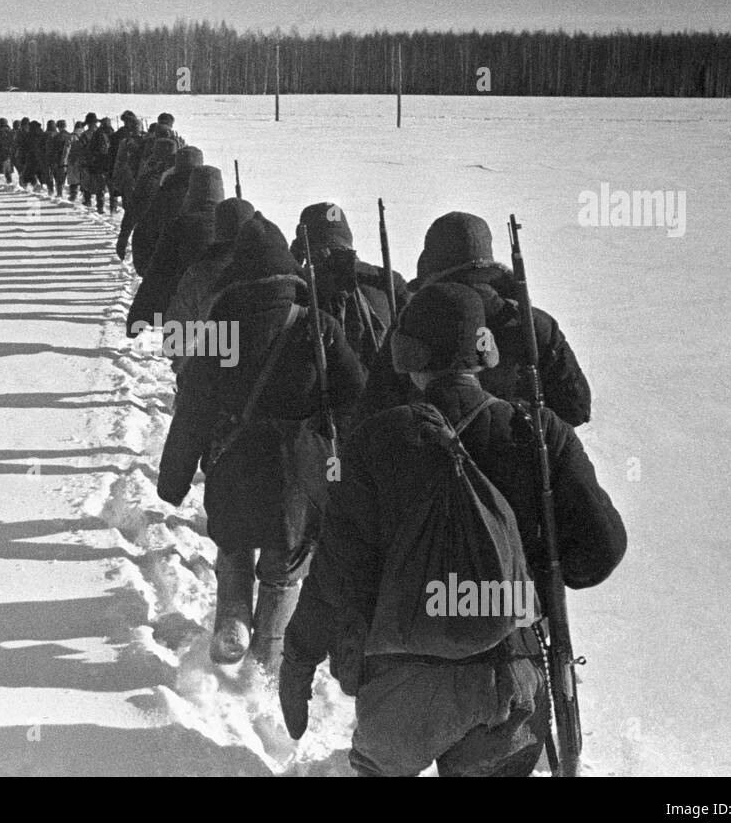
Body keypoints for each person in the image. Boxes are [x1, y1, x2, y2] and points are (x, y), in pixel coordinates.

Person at [279, 282, 627, 776]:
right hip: (507, 680)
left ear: (408, 355)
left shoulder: (376, 439)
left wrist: (298, 657)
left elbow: (337, 569)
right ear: (483, 351)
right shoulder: (540, 432)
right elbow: (603, 550)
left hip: (399, 687)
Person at [157, 217, 366, 669]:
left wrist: (173, 480)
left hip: (231, 464)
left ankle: (232, 621)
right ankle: (268, 659)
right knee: (283, 568)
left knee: (233, 545)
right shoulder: (320, 328)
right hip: (299, 474)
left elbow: (193, 409)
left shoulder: (221, 330)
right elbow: (357, 402)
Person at [359, 212, 592, 426]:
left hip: (433, 463)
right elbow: (576, 409)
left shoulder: (415, 322)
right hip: (519, 464)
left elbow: (373, 412)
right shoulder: (535, 324)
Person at [290, 202, 409, 374]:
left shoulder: (302, 286)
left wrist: (293, 260)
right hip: (386, 393)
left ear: (304, 243)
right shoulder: (389, 280)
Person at [127, 164, 224, 336]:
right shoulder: (232, 226)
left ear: (191, 191)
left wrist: (137, 319)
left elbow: (157, 274)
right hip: (224, 315)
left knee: (181, 357)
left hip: (181, 313)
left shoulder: (179, 225)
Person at [163, 197, 256, 373]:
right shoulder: (268, 267)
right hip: (261, 374)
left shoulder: (199, 272)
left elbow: (175, 339)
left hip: (209, 373)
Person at [130, 145, 202, 275]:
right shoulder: (210, 200)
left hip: (165, 273)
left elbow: (142, 234)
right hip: (199, 280)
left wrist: (148, 272)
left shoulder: (162, 194)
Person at [117, 137, 179, 261]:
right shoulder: (191, 180)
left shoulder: (148, 179)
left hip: (152, 238)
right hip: (177, 242)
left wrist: (123, 238)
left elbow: (133, 210)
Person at [109, 110, 143, 213]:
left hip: (127, 174)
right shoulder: (146, 139)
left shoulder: (122, 137)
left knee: (127, 200)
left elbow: (117, 159)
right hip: (137, 174)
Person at [83, 116, 115, 212]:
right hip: (111, 165)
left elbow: (91, 149)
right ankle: (113, 209)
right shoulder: (113, 133)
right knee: (112, 189)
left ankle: (100, 207)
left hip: (99, 164)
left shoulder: (97, 133)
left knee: (100, 188)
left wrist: (91, 163)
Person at [47, 120, 73, 196]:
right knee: (72, 182)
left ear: (58, 127)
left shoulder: (56, 137)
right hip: (71, 162)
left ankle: (59, 195)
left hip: (59, 162)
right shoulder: (71, 135)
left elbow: (53, 150)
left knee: (59, 181)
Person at [66, 119, 87, 202]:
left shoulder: (71, 137)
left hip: (73, 161)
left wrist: (64, 161)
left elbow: (66, 150)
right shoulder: (86, 136)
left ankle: (73, 197)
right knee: (84, 180)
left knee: (73, 181)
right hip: (84, 161)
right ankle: (85, 198)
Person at [0, 117, 14, 183]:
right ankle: (10, 181)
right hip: (10, 152)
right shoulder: (10, 130)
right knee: (9, 168)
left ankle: (8, 182)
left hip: (1, 152)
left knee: (4, 169)